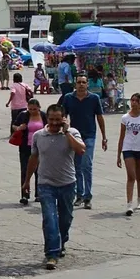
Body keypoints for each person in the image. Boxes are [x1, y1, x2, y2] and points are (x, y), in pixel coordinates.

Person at [26, 103, 84, 269]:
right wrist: (27, 181)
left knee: (65, 219)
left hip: (67, 183)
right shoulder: (38, 136)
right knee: (50, 219)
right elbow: (33, 158)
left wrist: (66, 132)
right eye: (51, 119)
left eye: (58, 119)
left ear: (64, 119)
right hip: (46, 184)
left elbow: (81, 150)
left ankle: (61, 241)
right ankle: (51, 253)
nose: (54, 123)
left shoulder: (72, 133)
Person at [59, 74, 108, 209]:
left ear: (87, 84)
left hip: (89, 135)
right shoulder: (69, 98)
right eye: (79, 82)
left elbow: (99, 117)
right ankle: (79, 195)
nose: (81, 85)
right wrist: (63, 129)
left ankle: (88, 196)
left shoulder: (94, 98)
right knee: (76, 166)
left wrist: (104, 137)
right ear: (75, 84)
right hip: (74, 135)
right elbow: (63, 115)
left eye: (83, 82)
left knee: (87, 165)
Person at [117, 92, 140, 216]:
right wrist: (118, 154)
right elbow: (121, 137)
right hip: (128, 148)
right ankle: (129, 203)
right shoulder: (125, 118)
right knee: (131, 175)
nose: (133, 103)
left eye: (136, 101)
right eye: (132, 100)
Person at [12, 99, 46, 204]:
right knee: (25, 170)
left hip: (40, 146)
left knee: (39, 170)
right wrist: (18, 128)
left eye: (34, 109)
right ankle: (25, 194)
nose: (32, 111)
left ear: (39, 107)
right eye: (30, 109)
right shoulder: (23, 115)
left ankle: (39, 194)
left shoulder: (44, 116)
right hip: (25, 146)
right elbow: (14, 126)